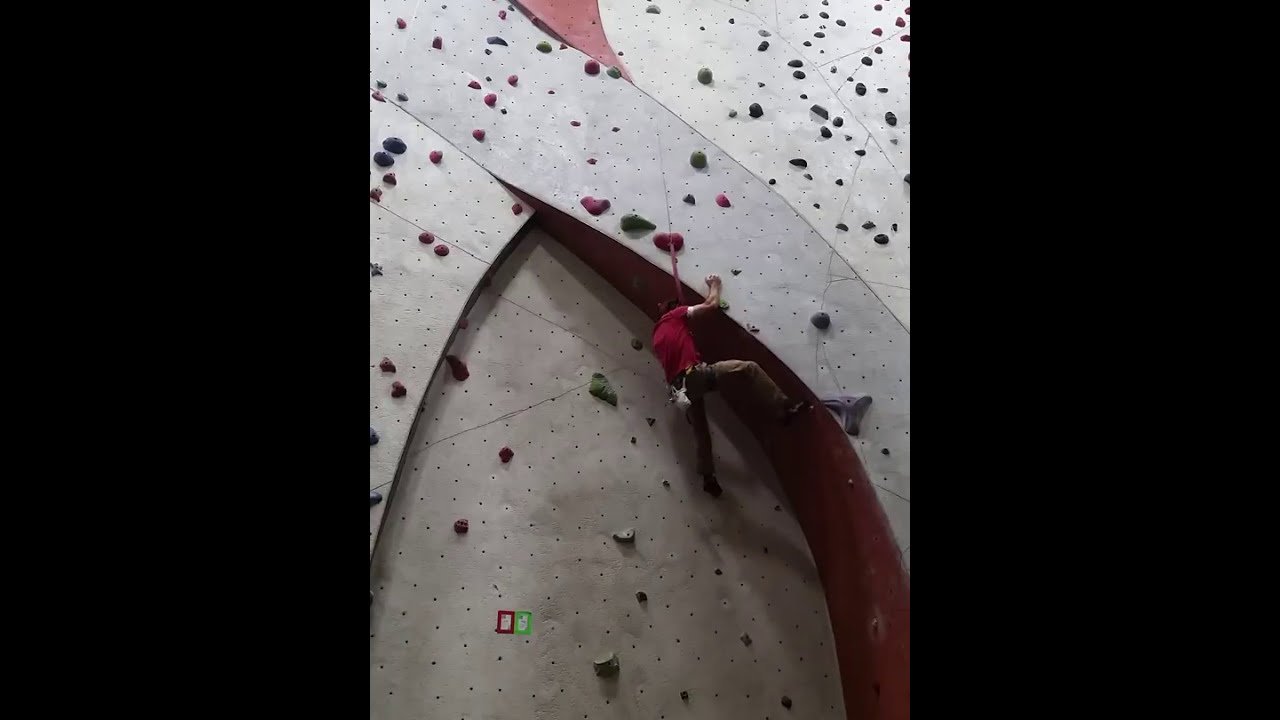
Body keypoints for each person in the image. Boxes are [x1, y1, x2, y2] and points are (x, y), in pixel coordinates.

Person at [651, 273, 810, 497]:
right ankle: (784, 409)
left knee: (702, 433)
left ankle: (708, 478)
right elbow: (711, 305)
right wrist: (715, 285)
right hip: (692, 376)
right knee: (747, 368)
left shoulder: (657, 335)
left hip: (679, 392)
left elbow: (676, 351)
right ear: (669, 309)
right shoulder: (675, 316)